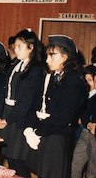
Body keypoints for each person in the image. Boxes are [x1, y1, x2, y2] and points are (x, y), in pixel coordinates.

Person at [24, 35, 88, 178]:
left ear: (65, 56)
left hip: (56, 136)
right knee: (38, 171)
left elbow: (63, 116)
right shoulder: (54, 76)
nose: (47, 60)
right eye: (47, 55)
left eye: (52, 55)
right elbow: (38, 104)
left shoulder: (73, 80)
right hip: (46, 132)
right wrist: (30, 128)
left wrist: (38, 131)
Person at [0, 29, 45, 178]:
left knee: (19, 161)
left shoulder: (36, 69)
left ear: (31, 48)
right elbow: (3, 93)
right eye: (15, 46)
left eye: (19, 46)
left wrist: (8, 119)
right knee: (10, 159)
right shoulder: (15, 65)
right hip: (6, 114)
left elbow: (27, 100)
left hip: (19, 118)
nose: (15, 49)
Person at [71, 65, 96, 178]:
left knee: (93, 168)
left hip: (94, 133)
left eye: (91, 80)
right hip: (84, 132)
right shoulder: (87, 95)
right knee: (76, 164)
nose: (91, 84)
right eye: (87, 80)